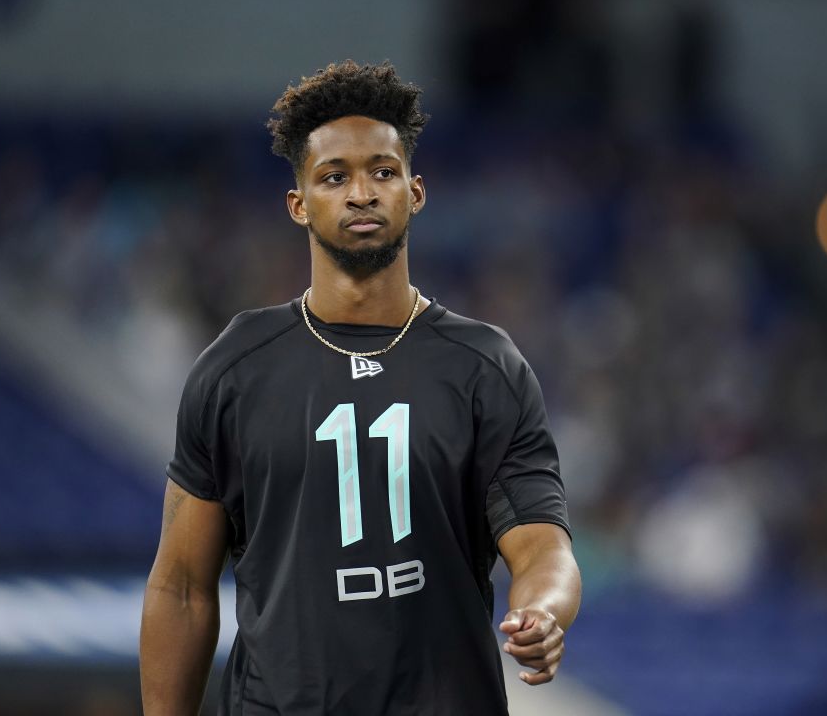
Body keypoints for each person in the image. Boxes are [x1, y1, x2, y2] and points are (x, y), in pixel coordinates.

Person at [139, 60, 581, 716]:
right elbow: (180, 587)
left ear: (416, 191)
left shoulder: (484, 366)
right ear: (299, 204)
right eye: (334, 176)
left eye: (382, 171)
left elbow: (543, 543)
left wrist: (542, 612)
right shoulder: (235, 368)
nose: (361, 193)